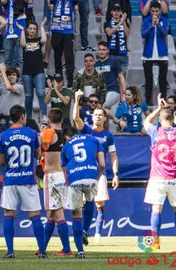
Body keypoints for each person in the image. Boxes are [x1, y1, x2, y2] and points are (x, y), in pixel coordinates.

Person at [0, 105, 45, 258]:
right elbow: (38, 155)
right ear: (23, 116)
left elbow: (1, 160)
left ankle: (10, 251)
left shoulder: (3, 136)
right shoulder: (32, 133)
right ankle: (42, 251)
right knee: (35, 215)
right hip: (28, 180)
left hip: (10, 180)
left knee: (8, 215)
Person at [143, 93, 176, 250]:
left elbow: (146, 121)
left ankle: (155, 242)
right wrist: (172, 112)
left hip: (158, 177)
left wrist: (159, 108)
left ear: (161, 119)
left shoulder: (156, 132)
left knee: (156, 209)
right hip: (175, 177)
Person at [72, 89, 119, 244]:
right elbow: (75, 118)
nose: (98, 116)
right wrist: (77, 100)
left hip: (100, 173)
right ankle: (84, 231)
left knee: (99, 203)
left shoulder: (108, 136)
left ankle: (97, 233)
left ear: (105, 118)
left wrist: (116, 174)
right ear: (92, 116)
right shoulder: (86, 130)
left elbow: (113, 155)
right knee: (84, 204)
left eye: (100, 114)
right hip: (86, 172)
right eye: (96, 114)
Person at [61, 126, 105, 258]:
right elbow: (102, 164)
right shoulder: (93, 140)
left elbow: (64, 169)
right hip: (91, 175)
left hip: (74, 177)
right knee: (90, 200)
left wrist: (68, 183)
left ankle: (80, 251)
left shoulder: (66, 145)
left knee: (76, 215)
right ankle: (85, 230)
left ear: (67, 137)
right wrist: (97, 179)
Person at [40, 108, 72, 256]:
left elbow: (41, 148)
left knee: (57, 213)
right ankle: (42, 248)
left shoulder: (48, 133)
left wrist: (42, 130)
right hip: (61, 174)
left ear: (49, 119)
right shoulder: (66, 137)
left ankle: (66, 248)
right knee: (51, 214)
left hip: (51, 176)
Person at [141, 1, 169, 106]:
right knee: (148, 81)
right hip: (148, 54)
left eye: (156, 11)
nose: (154, 13)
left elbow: (165, 32)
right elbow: (143, 35)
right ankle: (148, 102)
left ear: (160, 11)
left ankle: (163, 102)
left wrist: (158, 25)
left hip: (162, 54)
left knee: (162, 80)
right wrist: (152, 26)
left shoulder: (165, 20)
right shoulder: (146, 21)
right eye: (152, 11)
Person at [20, 19, 47, 119]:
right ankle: (29, 118)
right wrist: (22, 30)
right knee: (28, 96)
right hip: (27, 72)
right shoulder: (25, 40)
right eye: (30, 28)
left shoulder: (38, 40)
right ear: (27, 30)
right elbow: (22, 44)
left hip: (39, 71)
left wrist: (42, 27)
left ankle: (44, 116)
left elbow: (44, 40)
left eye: (34, 29)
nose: (32, 30)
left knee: (41, 93)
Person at [49, 0, 77, 87]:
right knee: (57, 56)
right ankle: (59, 80)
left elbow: (76, 7)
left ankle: (70, 81)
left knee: (69, 56)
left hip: (68, 30)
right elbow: (50, 4)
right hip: (56, 28)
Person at [95, 41, 126, 109]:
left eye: (104, 50)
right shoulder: (96, 64)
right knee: (103, 114)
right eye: (100, 50)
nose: (101, 52)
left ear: (108, 51)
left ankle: (115, 119)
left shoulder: (113, 61)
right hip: (100, 93)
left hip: (113, 91)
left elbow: (121, 77)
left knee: (102, 108)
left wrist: (124, 94)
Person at [0, 63, 25, 134]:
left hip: (14, 119)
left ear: (17, 77)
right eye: (9, 75)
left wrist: (3, 72)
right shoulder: (3, 86)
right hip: (2, 118)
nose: (11, 77)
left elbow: (9, 87)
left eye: (14, 75)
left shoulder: (20, 87)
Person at [1, 0, 27, 69]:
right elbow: (3, 1)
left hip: (20, 27)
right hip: (8, 29)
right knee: (8, 59)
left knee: (20, 59)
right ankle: (9, 79)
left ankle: (21, 79)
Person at [104, 3, 130, 71]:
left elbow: (127, 34)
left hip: (123, 55)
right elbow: (109, 33)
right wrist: (120, 23)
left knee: (123, 79)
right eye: (114, 10)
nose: (116, 12)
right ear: (111, 12)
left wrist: (123, 21)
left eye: (118, 10)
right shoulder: (107, 23)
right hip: (111, 55)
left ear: (121, 12)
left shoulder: (125, 23)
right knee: (112, 79)